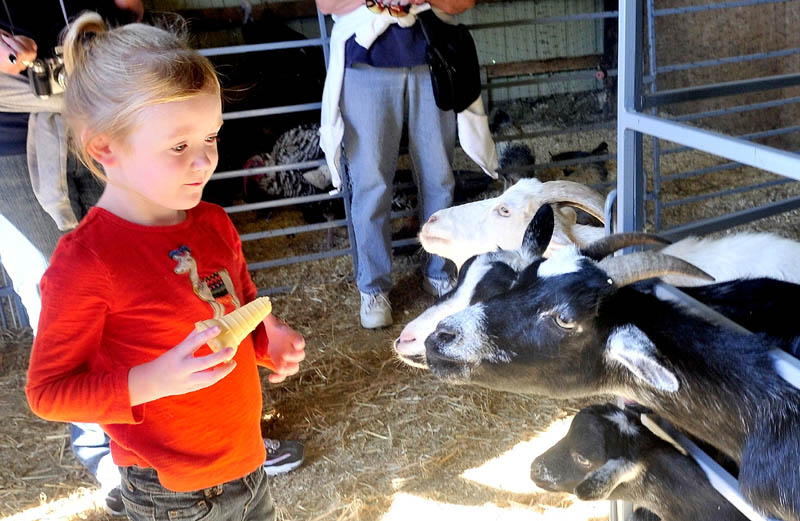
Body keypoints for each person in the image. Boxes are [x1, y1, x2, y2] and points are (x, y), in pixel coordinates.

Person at [24, 12, 307, 521]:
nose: (204, 162)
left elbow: (236, 301)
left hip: (247, 465)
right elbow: (48, 394)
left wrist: (267, 340)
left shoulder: (214, 223)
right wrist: (150, 380)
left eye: (211, 138)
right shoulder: (87, 260)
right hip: (169, 492)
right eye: (179, 146)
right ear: (104, 147)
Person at [315, 0, 491, 329]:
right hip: (365, 62)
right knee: (370, 183)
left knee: (439, 176)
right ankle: (373, 288)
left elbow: (462, 2)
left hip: (434, 56)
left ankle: (439, 271)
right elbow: (326, 3)